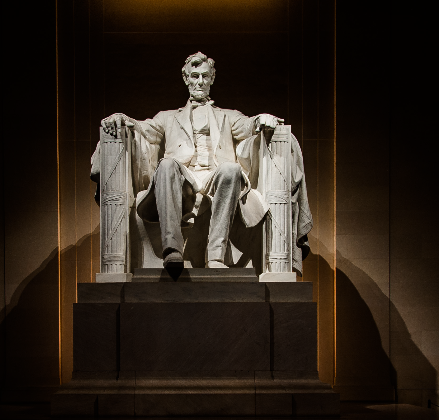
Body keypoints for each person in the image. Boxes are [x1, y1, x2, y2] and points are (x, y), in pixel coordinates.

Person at [93, 52, 312, 271]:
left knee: (231, 169)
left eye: (205, 76)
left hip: (215, 177)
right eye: (195, 76)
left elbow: (247, 125)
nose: (200, 81)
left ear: (212, 79)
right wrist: (123, 119)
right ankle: (173, 250)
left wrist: (260, 120)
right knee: (166, 164)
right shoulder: (168, 117)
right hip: (183, 179)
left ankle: (216, 256)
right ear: (186, 78)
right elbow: (144, 128)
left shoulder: (228, 115)